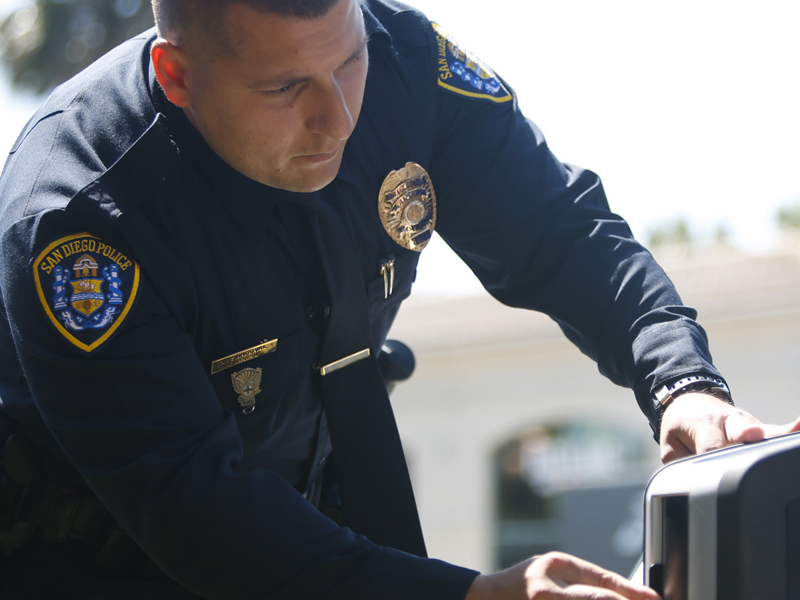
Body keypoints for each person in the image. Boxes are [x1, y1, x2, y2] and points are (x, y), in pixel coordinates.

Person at [0, 0, 797, 598]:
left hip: (312, 523)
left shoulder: (403, 62)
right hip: (91, 555)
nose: (339, 118)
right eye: (285, 88)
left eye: (348, 63)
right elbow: (192, 506)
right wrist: (468, 595)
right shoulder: (80, 221)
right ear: (177, 75)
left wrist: (681, 381)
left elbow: (561, 234)